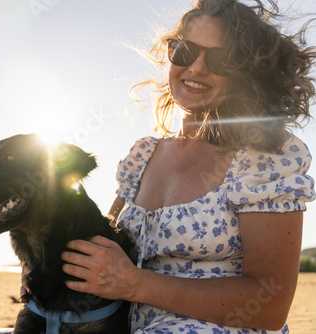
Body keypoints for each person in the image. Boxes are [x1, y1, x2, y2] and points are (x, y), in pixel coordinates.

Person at [23, 0, 316, 333]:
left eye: (221, 60)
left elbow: (270, 306)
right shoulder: (142, 156)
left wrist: (136, 284)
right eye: (185, 51)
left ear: (246, 74)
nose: (196, 68)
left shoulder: (264, 161)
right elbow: (97, 246)